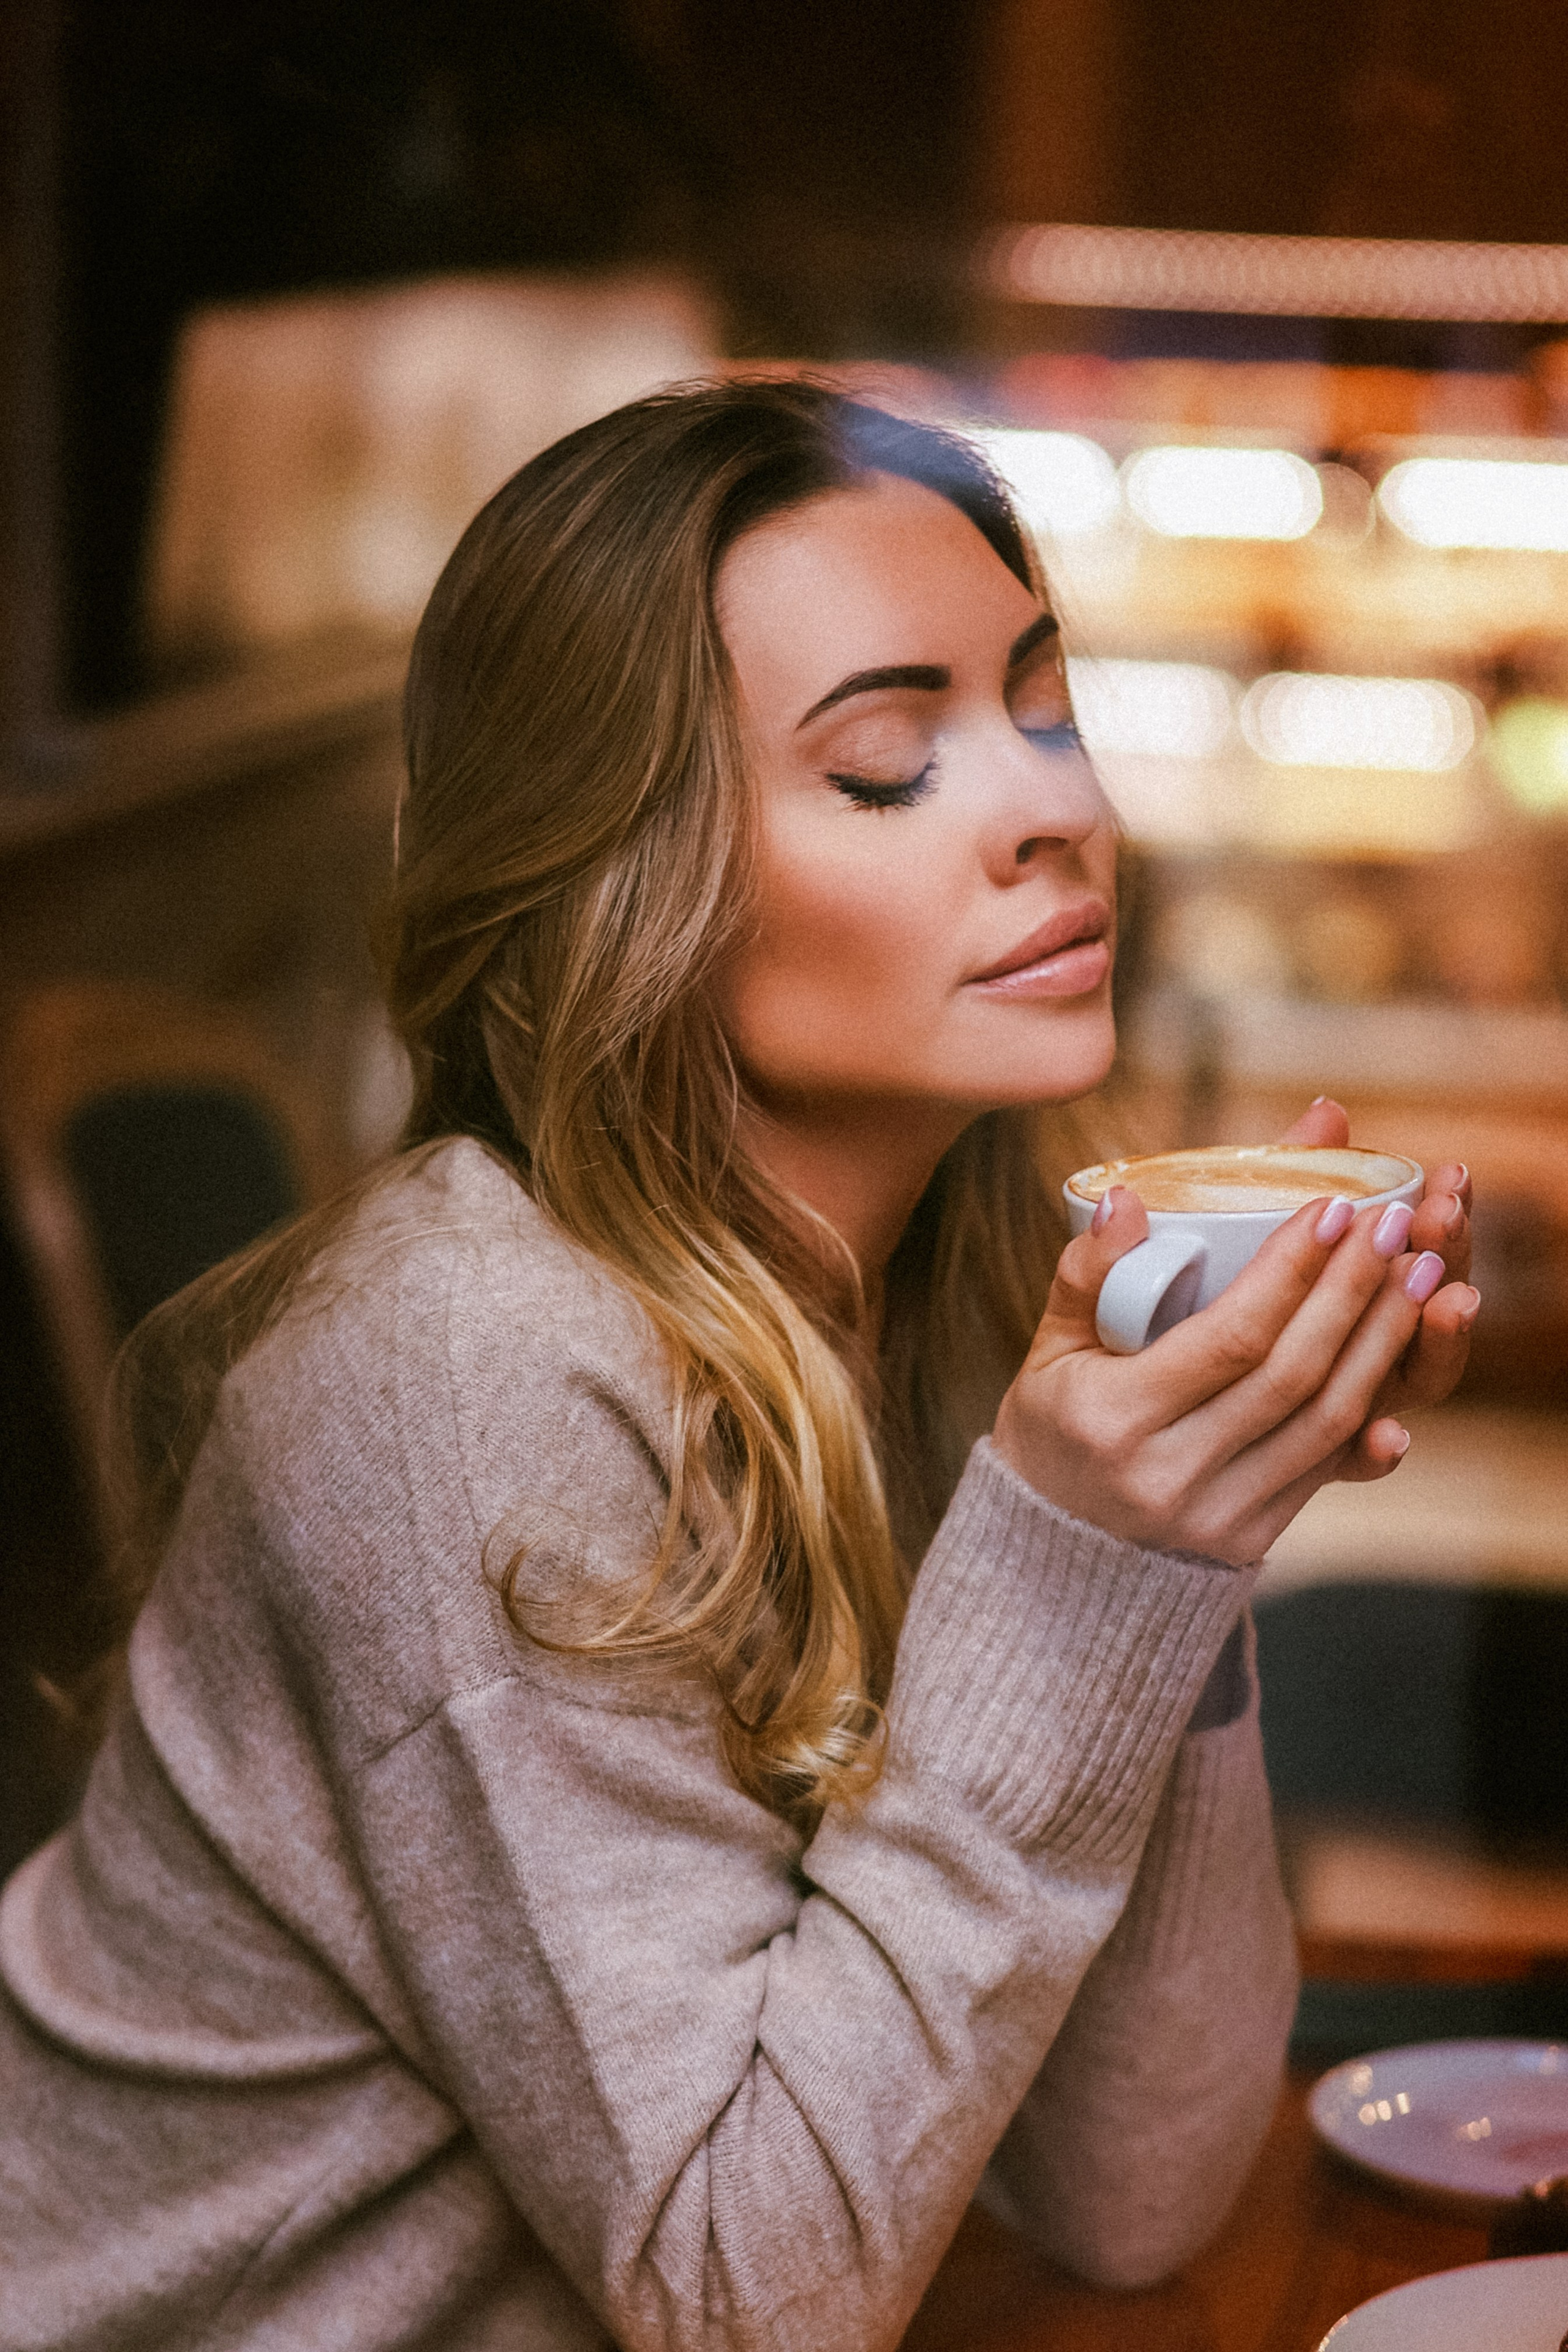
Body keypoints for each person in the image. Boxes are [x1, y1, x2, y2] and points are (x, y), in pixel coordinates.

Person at [0, 381, 1476, 2351]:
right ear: (625, 885)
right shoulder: (465, 1372)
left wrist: (1180, 1544)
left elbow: (1129, 2195)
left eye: (1045, 707)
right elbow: (750, 2300)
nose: (1054, 808)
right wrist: (1078, 1564)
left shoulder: (961, 1297)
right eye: (886, 764)